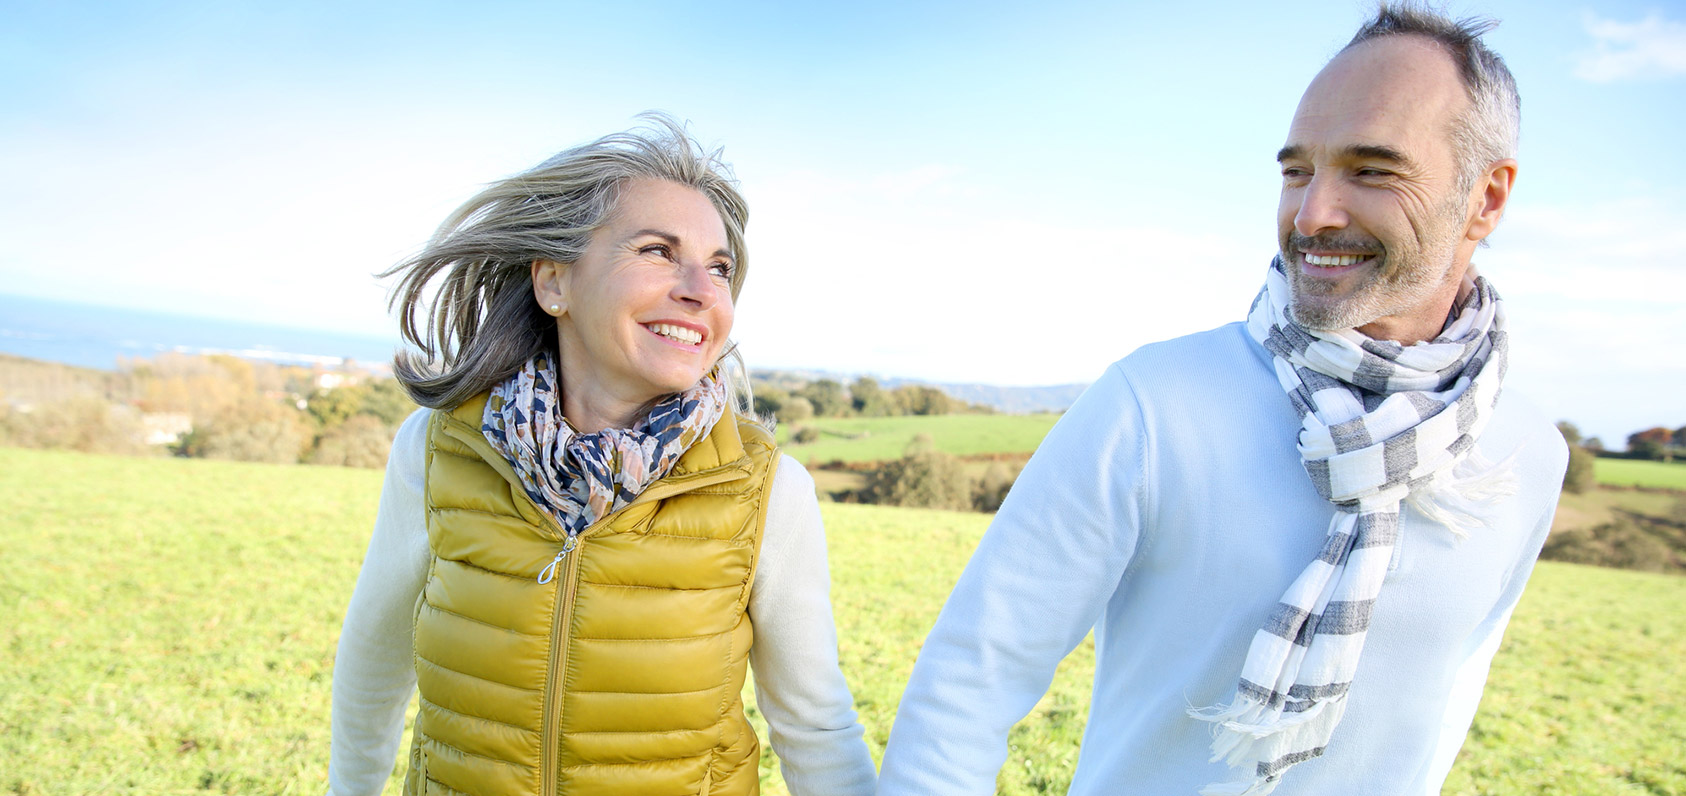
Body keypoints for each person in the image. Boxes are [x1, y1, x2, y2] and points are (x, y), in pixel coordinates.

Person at [876, 6, 1566, 796]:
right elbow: (969, 681)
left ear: (1487, 198)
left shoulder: (1529, 453)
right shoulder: (1153, 407)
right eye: (1297, 170)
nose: (1313, 214)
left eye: (1372, 170)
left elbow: (1447, 702)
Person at [326, 116, 876, 796]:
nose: (701, 290)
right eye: (656, 250)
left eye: (719, 267)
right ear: (554, 282)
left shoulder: (767, 489)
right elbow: (373, 664)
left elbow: (816, 728)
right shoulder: (437, 449)